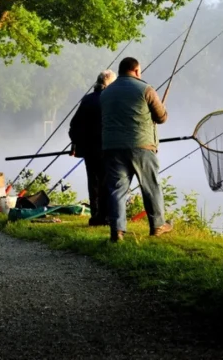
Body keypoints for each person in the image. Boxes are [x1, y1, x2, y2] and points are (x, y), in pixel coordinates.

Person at [100, 57, 171, 242]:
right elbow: (161, 117)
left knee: (117, 190)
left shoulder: (106, 93)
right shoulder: (145, 89)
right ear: (137, 71)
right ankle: (157, 226)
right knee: (150, 186)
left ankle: (117, 231)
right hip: (141, 146)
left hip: (112, 147)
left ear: (121, 70)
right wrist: (162, 110)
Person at [69, 69, 117, 226]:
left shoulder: (87, 99)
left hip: (88, 150)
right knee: (107, 182)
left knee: (93, 182)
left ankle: (95, 214)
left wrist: (75, 144)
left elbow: (74, 125)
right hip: (105, 148)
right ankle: (106, 216)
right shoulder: (110, 100)